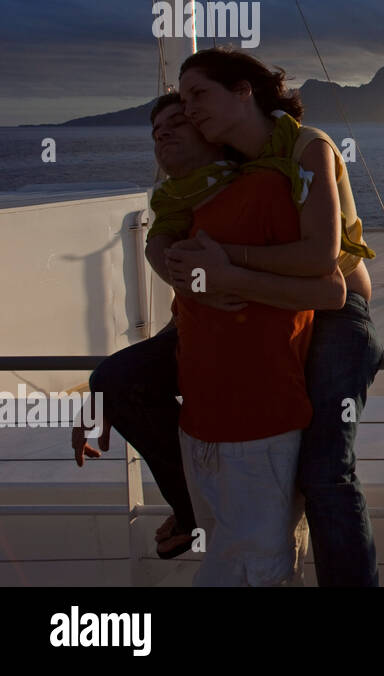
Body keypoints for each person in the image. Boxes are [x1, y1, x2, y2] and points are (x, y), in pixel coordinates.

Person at [76, 92, 346, 582]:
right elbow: (168, 261)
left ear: (211, 128)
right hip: (202, 431)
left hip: (259, 425)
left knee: (251, 567)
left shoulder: (265, 188)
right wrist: (101, 398)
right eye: (156, 131)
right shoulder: (180, 203)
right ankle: (185, 511)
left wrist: (231, 276)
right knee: (115, 379)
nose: (163, 135)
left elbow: (330, 287)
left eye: (179, 121)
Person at [163, 48, 384, 587]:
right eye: (183, 98)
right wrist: (182, 272)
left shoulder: (308, 148)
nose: (189, 109)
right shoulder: (229, 163)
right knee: (124, 380)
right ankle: (189, 503)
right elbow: (169, 224)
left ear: (244, 92)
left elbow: (318, 259)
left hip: (337, 314)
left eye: (199, 94)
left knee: (326, 472)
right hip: (260, 304)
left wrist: (225, 264)